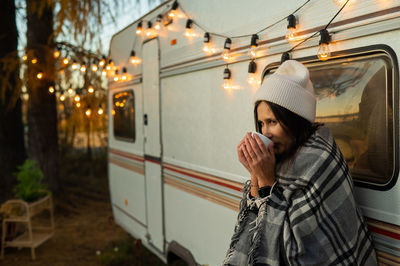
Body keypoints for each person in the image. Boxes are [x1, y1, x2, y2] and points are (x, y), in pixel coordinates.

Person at [223, 60, 377, 265]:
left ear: (294, 120)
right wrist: (255, 174)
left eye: (272, 122)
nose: (264, 132)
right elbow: (256, 227)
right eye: (261, 123)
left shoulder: (318, 160)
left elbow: (297, 252)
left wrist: (267, 181)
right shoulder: (281, 158)